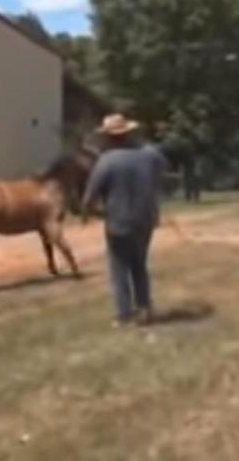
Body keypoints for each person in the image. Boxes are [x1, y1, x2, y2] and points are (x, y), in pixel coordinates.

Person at [81, 114, 168, 327]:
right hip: (146, 219)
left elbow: (90, 197)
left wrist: (90, 212)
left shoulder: (106, 161)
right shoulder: (150, 154)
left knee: (119, 268)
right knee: (140, 264)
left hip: (119, 221)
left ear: (109, 138)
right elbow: (161, 171)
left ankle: (124, 314)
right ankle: (145, 308)